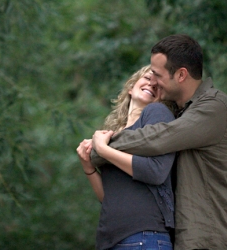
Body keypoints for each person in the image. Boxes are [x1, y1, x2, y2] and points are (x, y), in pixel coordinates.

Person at [90, 34, 227, 250]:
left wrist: (100, 149)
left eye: (156, 74)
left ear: (181, 75)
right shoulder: (183, 113)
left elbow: (156, 138)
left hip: (210, 238)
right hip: (184, 238)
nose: (151, 80)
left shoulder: (214, 107)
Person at [76, 65, 177, 250]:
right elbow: (109, 197)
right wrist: (88, 166)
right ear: (131, 87)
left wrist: (103, 150)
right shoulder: (114, 134)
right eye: (147, 78)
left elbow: (155, 171)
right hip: (113, 238)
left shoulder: (156, 112)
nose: (152, 84)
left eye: (158, 85)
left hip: (145, 235)